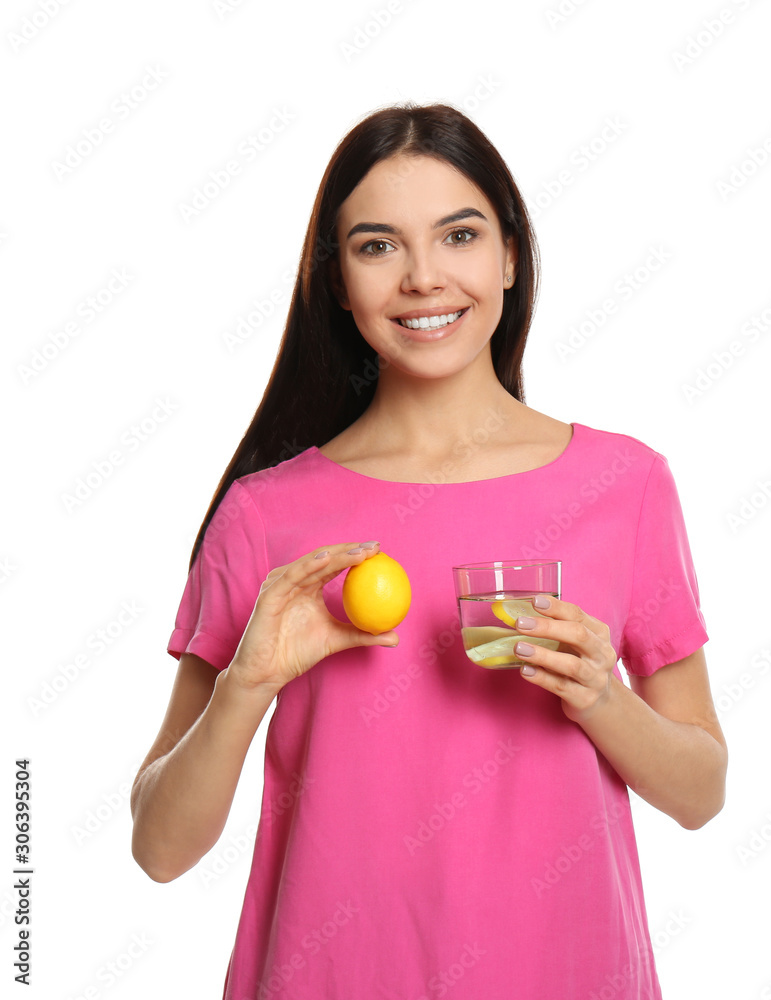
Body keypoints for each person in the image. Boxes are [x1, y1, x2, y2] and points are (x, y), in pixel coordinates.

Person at [130, 101, 728, 1000]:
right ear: (338, 281)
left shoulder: (624, 484)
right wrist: (244, 685)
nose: (422, 277)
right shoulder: (265, 515)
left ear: (509, 256)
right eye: (377, 246)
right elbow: (160, 849)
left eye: (459, 235)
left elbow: (700, 793)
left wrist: (602, 698)